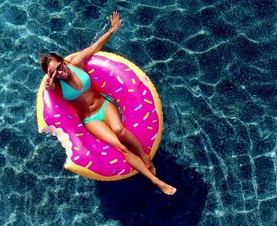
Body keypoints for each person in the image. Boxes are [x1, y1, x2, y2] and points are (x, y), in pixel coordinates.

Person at [39, 12, 176, 195]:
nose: (60, 72)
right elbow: (48, 90)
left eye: (60, 67)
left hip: (104, 106)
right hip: (90, 119)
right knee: (120, 146)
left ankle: (145, 157)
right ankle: (157, 182)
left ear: (63, 61)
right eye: (54, 72)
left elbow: (95, 46)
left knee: (120, 130)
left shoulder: (76, 63)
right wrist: (50, 83)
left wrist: (112, 29)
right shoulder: (55, 87)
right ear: (50, 75)